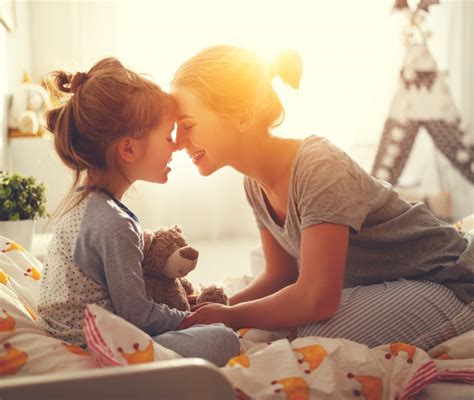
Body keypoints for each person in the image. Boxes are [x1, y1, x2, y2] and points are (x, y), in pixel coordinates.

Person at [172, 45, 474, 350]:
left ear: (242, 117)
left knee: (317, 339)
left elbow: (317, 299)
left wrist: (232, 315)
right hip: (389, 282)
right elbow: (280, 274)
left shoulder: (319, 167)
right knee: (290, 323)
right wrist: (213, 310)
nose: (178, 142)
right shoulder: (253, 183)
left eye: (188, 126)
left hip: (449, 280)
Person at [38, 57, 239, 366]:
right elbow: (137, 314)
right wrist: (189, 318)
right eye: (167, 136)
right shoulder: (113, 224)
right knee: (223, 338)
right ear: (129, 149)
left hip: (86, 333)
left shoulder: (90, 205)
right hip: (99, 344)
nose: (176, 147)